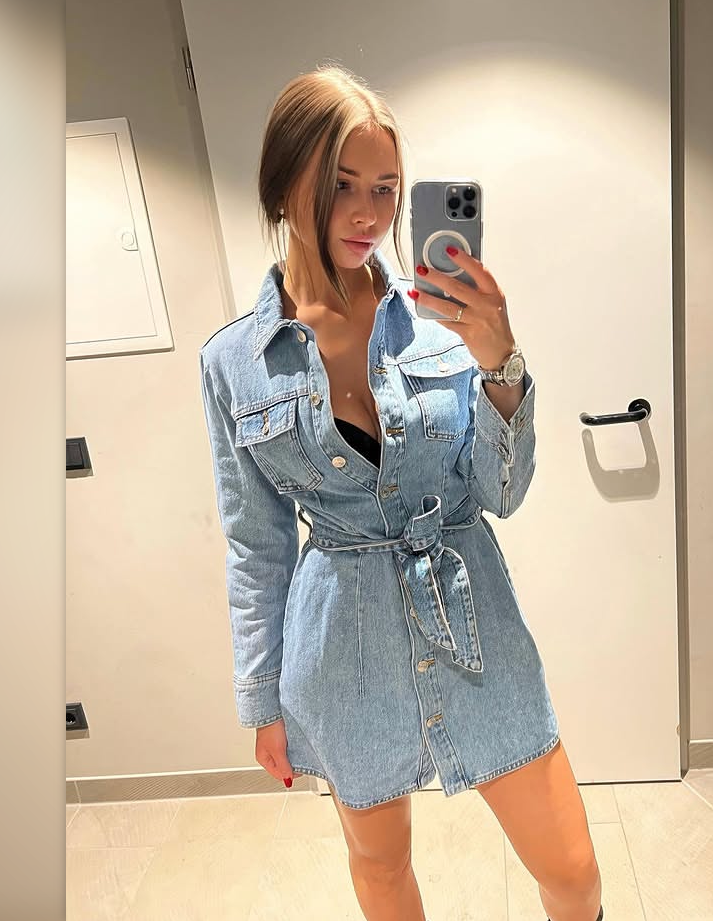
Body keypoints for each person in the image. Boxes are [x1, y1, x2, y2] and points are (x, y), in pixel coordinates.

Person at [199, 64, 603, 921]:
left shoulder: (439, 320)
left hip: (472, 618)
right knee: (380, 869)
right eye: (340, 185)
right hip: (340, 644)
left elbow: (498, 493)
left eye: (384, 188)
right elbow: (256, 543)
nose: (367, 214)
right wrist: (261, 698)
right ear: (282, 185)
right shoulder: (233, 362)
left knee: (573, 872)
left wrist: (500, 366)